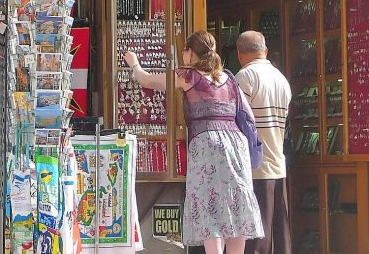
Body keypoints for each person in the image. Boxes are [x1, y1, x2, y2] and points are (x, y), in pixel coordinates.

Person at [124, 31, 263, 254]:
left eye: (185, 50)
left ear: (191, 53)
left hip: (207, 141)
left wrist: (134, 64)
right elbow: (249, 117)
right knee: (236, 205)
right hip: (236, 143)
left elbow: (147, 80)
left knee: (209, 205)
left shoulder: (188, 76)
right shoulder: (228, 78)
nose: (183, 54)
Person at [235, 31, 292, 254]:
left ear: (240, 54)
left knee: (258, 230)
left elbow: (239, 121)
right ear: (265, 51)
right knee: (280, 228)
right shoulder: (281, 78)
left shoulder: (245, 77)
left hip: (256, 166)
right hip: (278, 162)